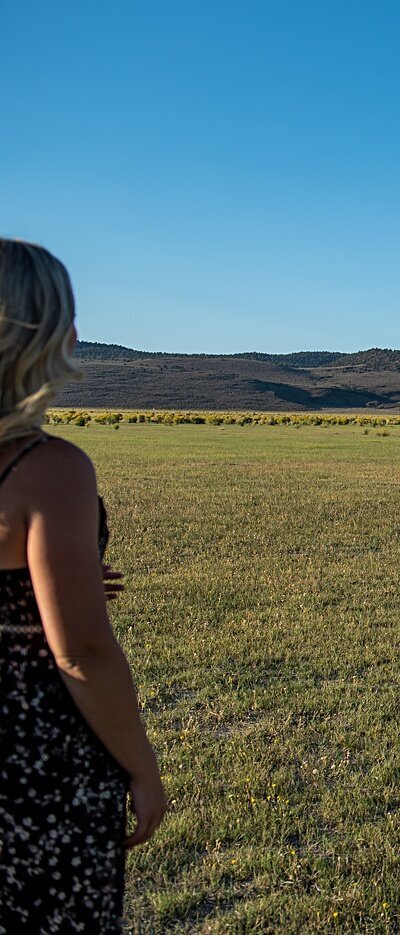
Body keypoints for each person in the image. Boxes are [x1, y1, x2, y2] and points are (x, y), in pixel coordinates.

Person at [0, 239, 166, 932]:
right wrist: (143, 767)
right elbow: (81, 655)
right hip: (30, 761)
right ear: (49, 334)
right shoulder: (48, 467)